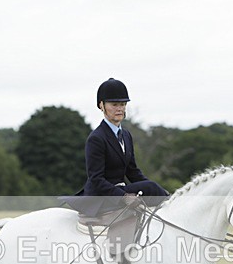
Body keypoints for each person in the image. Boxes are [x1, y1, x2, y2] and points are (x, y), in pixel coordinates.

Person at [63, 78, 169, 217]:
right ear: (102, 105)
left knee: (151, 186)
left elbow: (133, 172)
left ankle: (170, 200)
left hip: (120, 190)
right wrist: (124, 196)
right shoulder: (96, 138)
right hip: (101, 196)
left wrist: (154, 188)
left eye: (123, 104)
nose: (119, 109)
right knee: (151, 187)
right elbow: (96, 179)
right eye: (114, 104)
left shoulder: (126, 135)